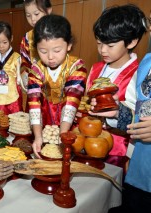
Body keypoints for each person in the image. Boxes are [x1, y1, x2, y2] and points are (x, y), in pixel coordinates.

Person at [86, 4, 147, 168]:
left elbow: (140, 119)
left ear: (132, 42)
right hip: (88, 143)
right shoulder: (96, 68)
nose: (102, 50)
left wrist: (116, 113)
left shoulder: (139, 74)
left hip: (117, 150)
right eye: (99, 43)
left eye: (110, 45)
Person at [27, 14, 87, 157]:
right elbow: (34, 103)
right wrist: (38, 136)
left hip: (70, 122)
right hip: (44, 120)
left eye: (57, 50)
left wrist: (63, 135)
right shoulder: (35, 70)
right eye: (43, 51)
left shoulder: (76, 67)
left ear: (69, 45)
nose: (50, 57)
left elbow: (71, 102)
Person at [0, 21, 24, 115]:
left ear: (11, 39)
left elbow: (20, 80)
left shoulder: (17, 58)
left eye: (4, 42)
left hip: (13, 99)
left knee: (14, 124)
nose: (1, 46)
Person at [20, 0, 52, 93]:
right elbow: (24, 64)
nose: (33, 19)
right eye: (28, 15)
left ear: (48, 10)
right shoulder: (27, 38)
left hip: (55, 88)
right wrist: (25, 76)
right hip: (35, 89)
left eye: (36, 14)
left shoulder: (58, 33)